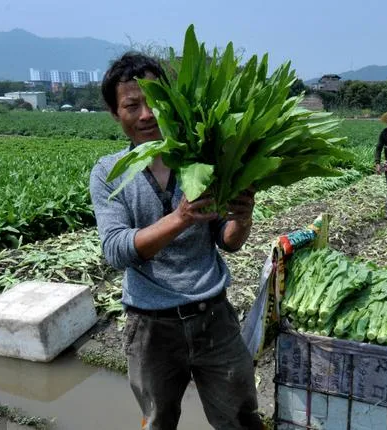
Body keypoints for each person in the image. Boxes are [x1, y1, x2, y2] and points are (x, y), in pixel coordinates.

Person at [89, 52, 263, 430]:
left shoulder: (203, 160)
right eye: (132, 105)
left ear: (173, 102)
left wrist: (242, 216)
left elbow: (228, 242)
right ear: (115, 113)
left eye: (155, 101)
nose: (147, 114)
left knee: (240, 419)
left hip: (213, 318)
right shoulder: (110, 173)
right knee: (158, 422)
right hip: (151, 328)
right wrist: (181, 217)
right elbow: (118, 250)